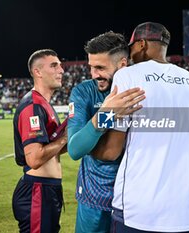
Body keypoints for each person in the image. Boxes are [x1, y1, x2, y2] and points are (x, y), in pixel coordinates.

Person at [99, 22, 189, 233]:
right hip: (184, 212)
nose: (129, 55)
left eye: (131, 48)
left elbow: (111, 151)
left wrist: (88, 139)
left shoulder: (128, 75)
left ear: (141, 44)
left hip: (138, 209)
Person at [67, 31, 145, 233]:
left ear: (122, 64)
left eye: (100, 68)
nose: (94, 75)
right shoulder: (83, 92)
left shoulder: (143, 89)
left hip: (134, 195)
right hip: (94, 196)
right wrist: (106, 115)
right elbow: (75, 149)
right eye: (91, 67)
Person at [12, 49, 68, 232]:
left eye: (60, 65)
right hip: (37, 191)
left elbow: (52, 149)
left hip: (46, 190)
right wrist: (65, 138)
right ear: (38, 72)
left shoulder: (43, 104)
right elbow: (34, 159)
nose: (61, 70)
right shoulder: (33, 106)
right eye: (54, 65)